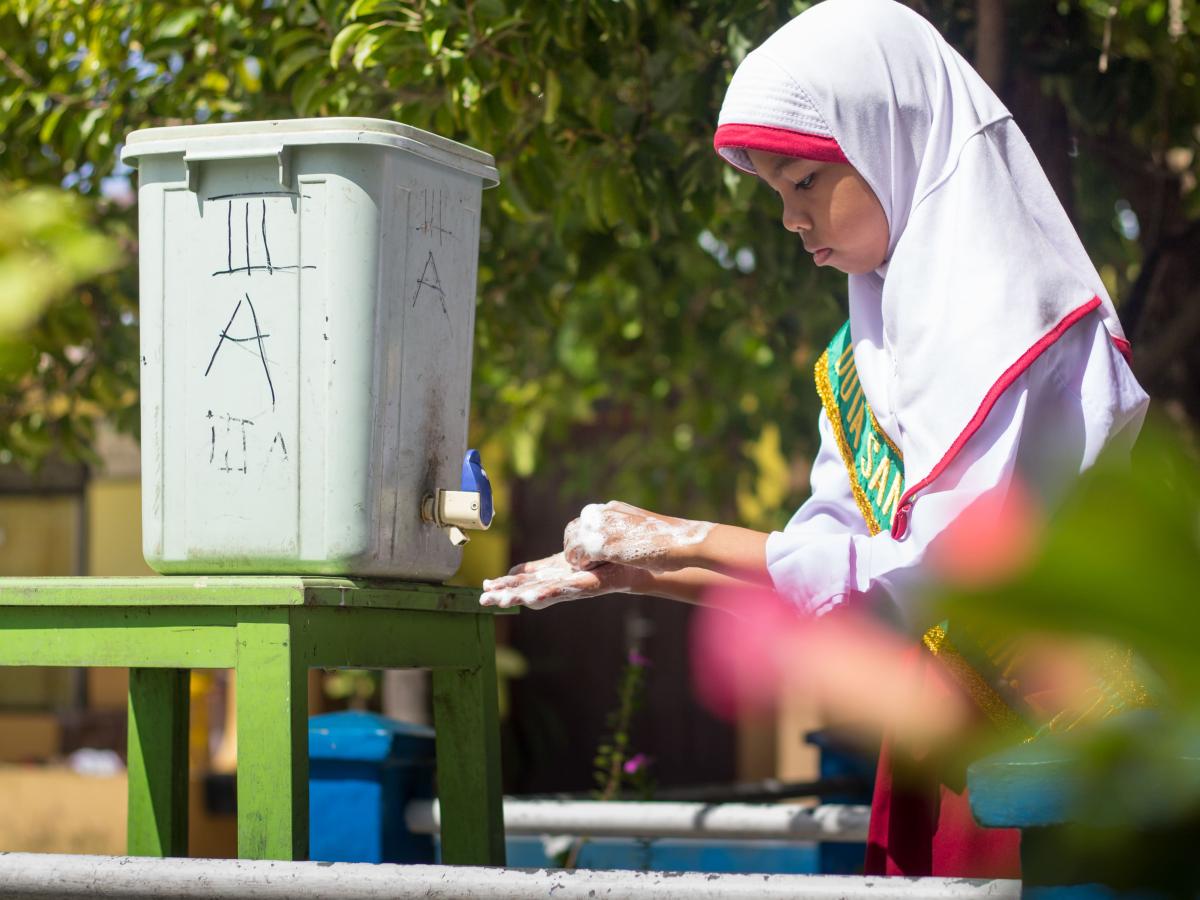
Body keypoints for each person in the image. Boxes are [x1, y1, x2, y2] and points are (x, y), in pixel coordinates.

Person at [481, 0, 1149, 878]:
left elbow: (932, 573)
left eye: (803, 182)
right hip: (934, 733)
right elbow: (828, 570)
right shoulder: (862, 356)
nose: (792, 221)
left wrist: (682, 538)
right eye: (774, 194)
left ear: (891, 139)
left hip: (1062, 744)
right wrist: (633, 573)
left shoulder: (1023, 324)